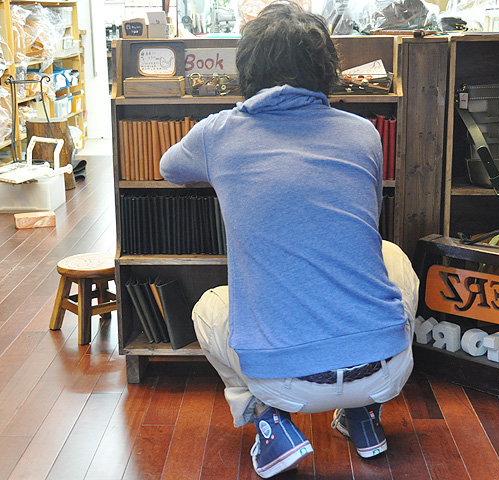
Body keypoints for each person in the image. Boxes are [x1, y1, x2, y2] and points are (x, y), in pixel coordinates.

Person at [159, 2, 419, 478]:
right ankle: (363, 414)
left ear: (246, 69)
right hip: (386, 370)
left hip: (284, 383)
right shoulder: (365, 133)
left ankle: (268, 420)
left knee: (209, 308)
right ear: (328, 69)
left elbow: (169, 168)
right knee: (393, 257)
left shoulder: (217, 133)